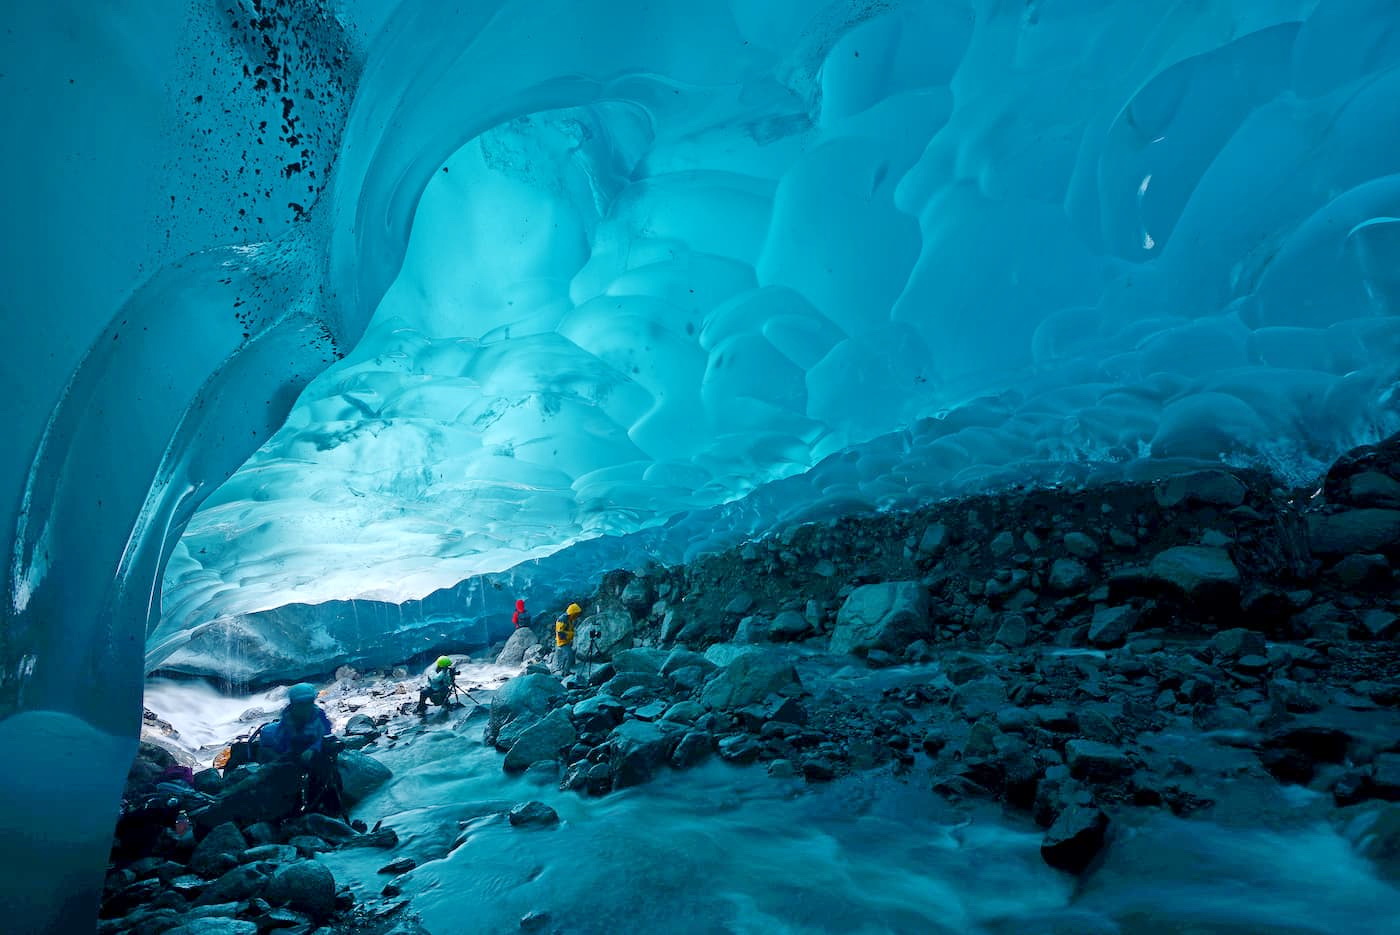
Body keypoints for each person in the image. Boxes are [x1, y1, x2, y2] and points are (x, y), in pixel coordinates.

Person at [257, 683, 345, 819]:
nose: (306, 706)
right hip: (292, 750)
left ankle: (332, 808)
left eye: (309, 702)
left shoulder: (319, 714)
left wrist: (313, 749)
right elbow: (283, 742)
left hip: (312, 748)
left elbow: (325, 733)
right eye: (301, 703)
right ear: (293, 704)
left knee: (328, 770)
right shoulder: (287, 719)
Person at [554, 603, 581, 675]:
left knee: (571, 654)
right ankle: (566, 672)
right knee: (569, 655)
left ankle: (571, 669)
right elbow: (561, 635)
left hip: (567, 641)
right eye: (576, 614)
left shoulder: (569, 619)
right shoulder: (562, 620)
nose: (577, 616)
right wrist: (572, 634)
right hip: (562, 642)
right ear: (572, 613)